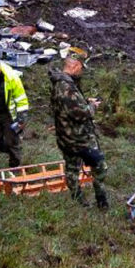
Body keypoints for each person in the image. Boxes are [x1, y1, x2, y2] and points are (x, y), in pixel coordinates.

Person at [50, 55, 109, 209]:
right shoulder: (67, 88)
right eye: (81, 68)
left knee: (71, 169)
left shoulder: (59, 83)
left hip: (65, 136)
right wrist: (92, 106)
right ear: (75, 66)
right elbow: (82, 114)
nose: (81, 71)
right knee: (100, 167)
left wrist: (84, 101)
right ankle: (101, 203)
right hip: (80, 139)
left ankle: (79, 201)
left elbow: (69, 108)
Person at [0, 56, 29, 168]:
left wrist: (22, 118)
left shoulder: (11, 78)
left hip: (8, 114)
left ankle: (14, 166)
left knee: (12, 142)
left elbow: (21, 99)